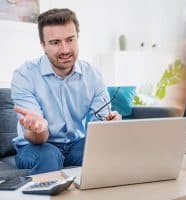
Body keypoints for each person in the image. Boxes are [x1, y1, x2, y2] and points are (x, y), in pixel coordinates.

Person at [10, 8, 121, 175]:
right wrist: (38, 128)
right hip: (37, 146)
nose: (65, 49)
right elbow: (38, 137)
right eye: (55, 42)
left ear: (77, 38)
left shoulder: (93, 75)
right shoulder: (24, 75)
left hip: (76, 144)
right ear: (43, 46)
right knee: (49, 156)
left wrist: (109, 126)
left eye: (70, 40)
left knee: (104, 152)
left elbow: (99, 129)